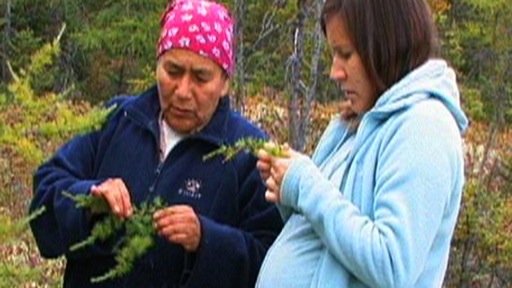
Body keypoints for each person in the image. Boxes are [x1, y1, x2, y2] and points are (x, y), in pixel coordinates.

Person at [28, 0, 283, 287]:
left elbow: (274, 262)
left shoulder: (248, 154)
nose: (183, 91)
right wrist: (87, 201)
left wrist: (206, 240)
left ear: (225, 82)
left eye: (201, 77)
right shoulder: (116, 120)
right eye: (172, 72)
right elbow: (44, 198)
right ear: (157, 65)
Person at [255, 0, 469, 287]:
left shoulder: (424, 127)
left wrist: (305, 185)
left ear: (386, 45)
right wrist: (287, 190)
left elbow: (392, 264)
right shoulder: (354, 125)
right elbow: (327, 237)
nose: (335, 72)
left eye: (345, 54)